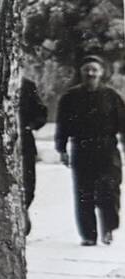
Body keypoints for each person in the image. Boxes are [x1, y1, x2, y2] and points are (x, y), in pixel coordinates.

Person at [55, 56, 125, 246]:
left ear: (101, 72)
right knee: (84, 193)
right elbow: (62, 125)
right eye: (87, 70)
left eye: (94, 70)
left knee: (109, 191)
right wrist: (61, 149)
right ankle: (88, 235)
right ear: (81, 72)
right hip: (82, 149)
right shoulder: (70, 97)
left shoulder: (112, 96)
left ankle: (108, 228)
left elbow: (123, 124)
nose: (90, 74)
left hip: (107, 150)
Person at [20, 78, 47, 235]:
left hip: (24, 142)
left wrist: (31, 126)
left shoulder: (27, 85)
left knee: (28, 183)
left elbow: (41, 113)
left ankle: (23, 210)